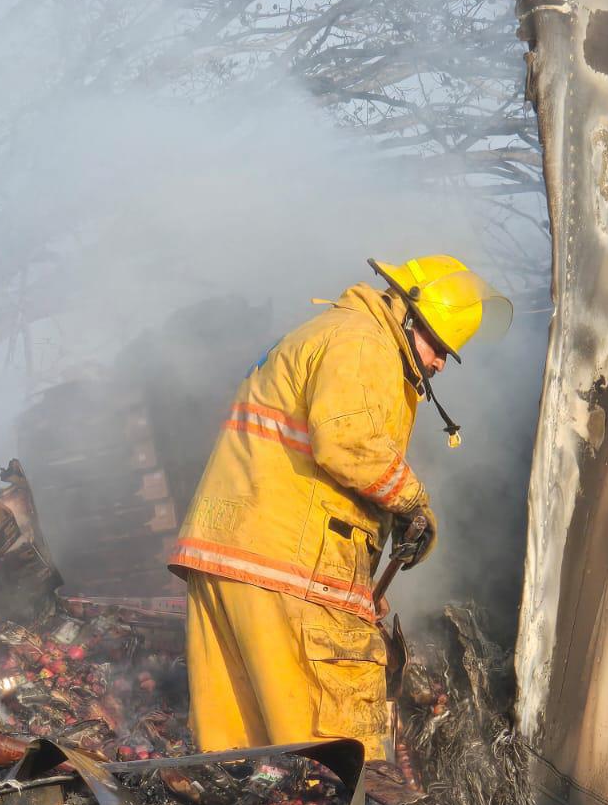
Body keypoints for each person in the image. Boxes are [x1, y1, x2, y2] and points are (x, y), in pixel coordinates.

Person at [169, 256, 512, 759]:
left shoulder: (327, 332)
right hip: (287, 567)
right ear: (410, 317)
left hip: (230, 557)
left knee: (240, 761)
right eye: (438, 345)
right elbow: (347, 442)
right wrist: (413, 502)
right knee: (332, 761)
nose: (440, 363)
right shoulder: (365, 341)